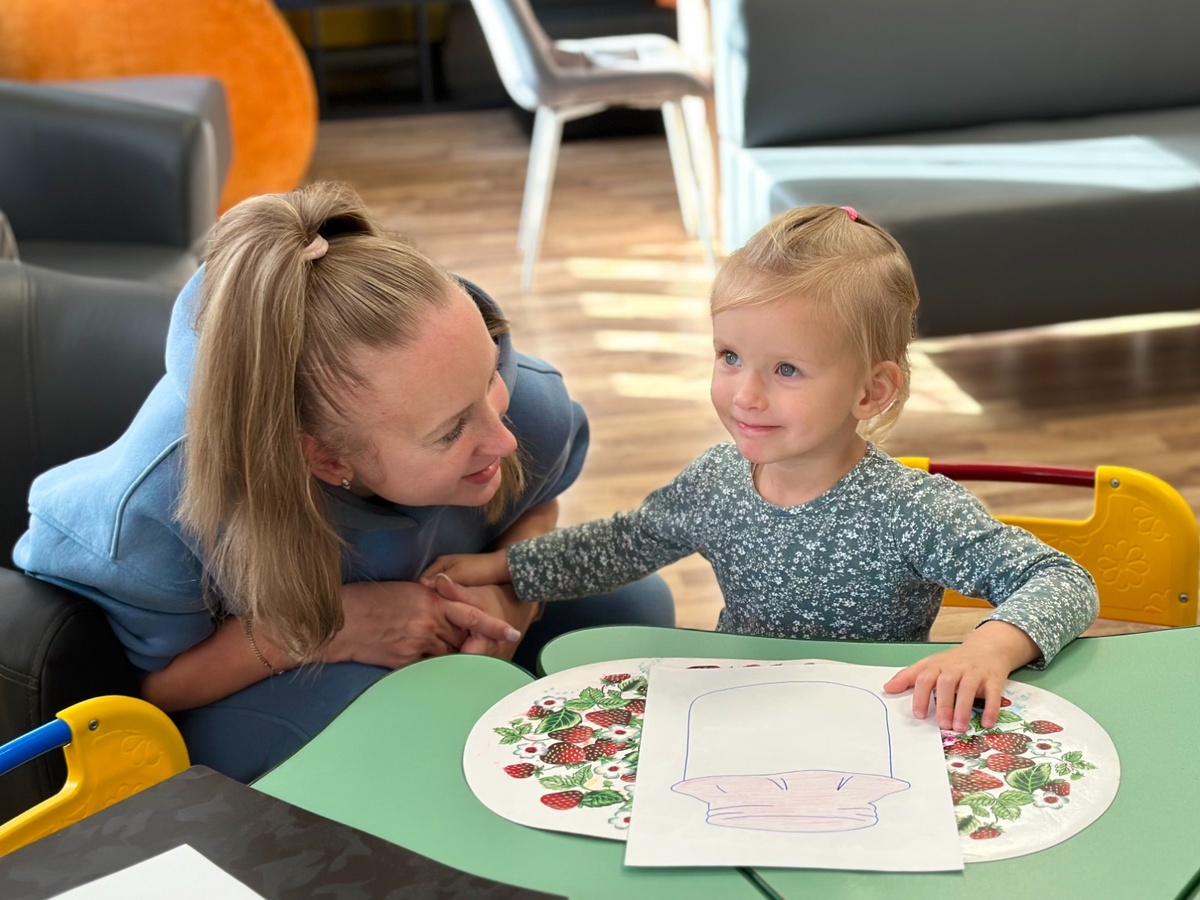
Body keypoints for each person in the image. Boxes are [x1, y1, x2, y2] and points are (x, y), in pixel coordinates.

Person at [13, 181, 673, 781]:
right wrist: (336, 627)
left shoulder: (520, 400)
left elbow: (539, 500)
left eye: (488, 380)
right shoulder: (155, 510)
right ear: (326, 460)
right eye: (450, 432)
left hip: (437, 616)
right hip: (247, 672)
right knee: (410, 725)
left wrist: (512, 594)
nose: (501, 438)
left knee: (634, 609)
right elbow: (147, 687)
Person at [424, 205, 1100, 736]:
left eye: (787, 369)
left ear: (871, 391)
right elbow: (624, 543)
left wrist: (988, 648)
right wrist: (504, 566)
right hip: (735, 710)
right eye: (729, 357)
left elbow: (1060, 579)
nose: (745, 395)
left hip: (870, 726)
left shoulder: (912, 510)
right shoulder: (717, 481)